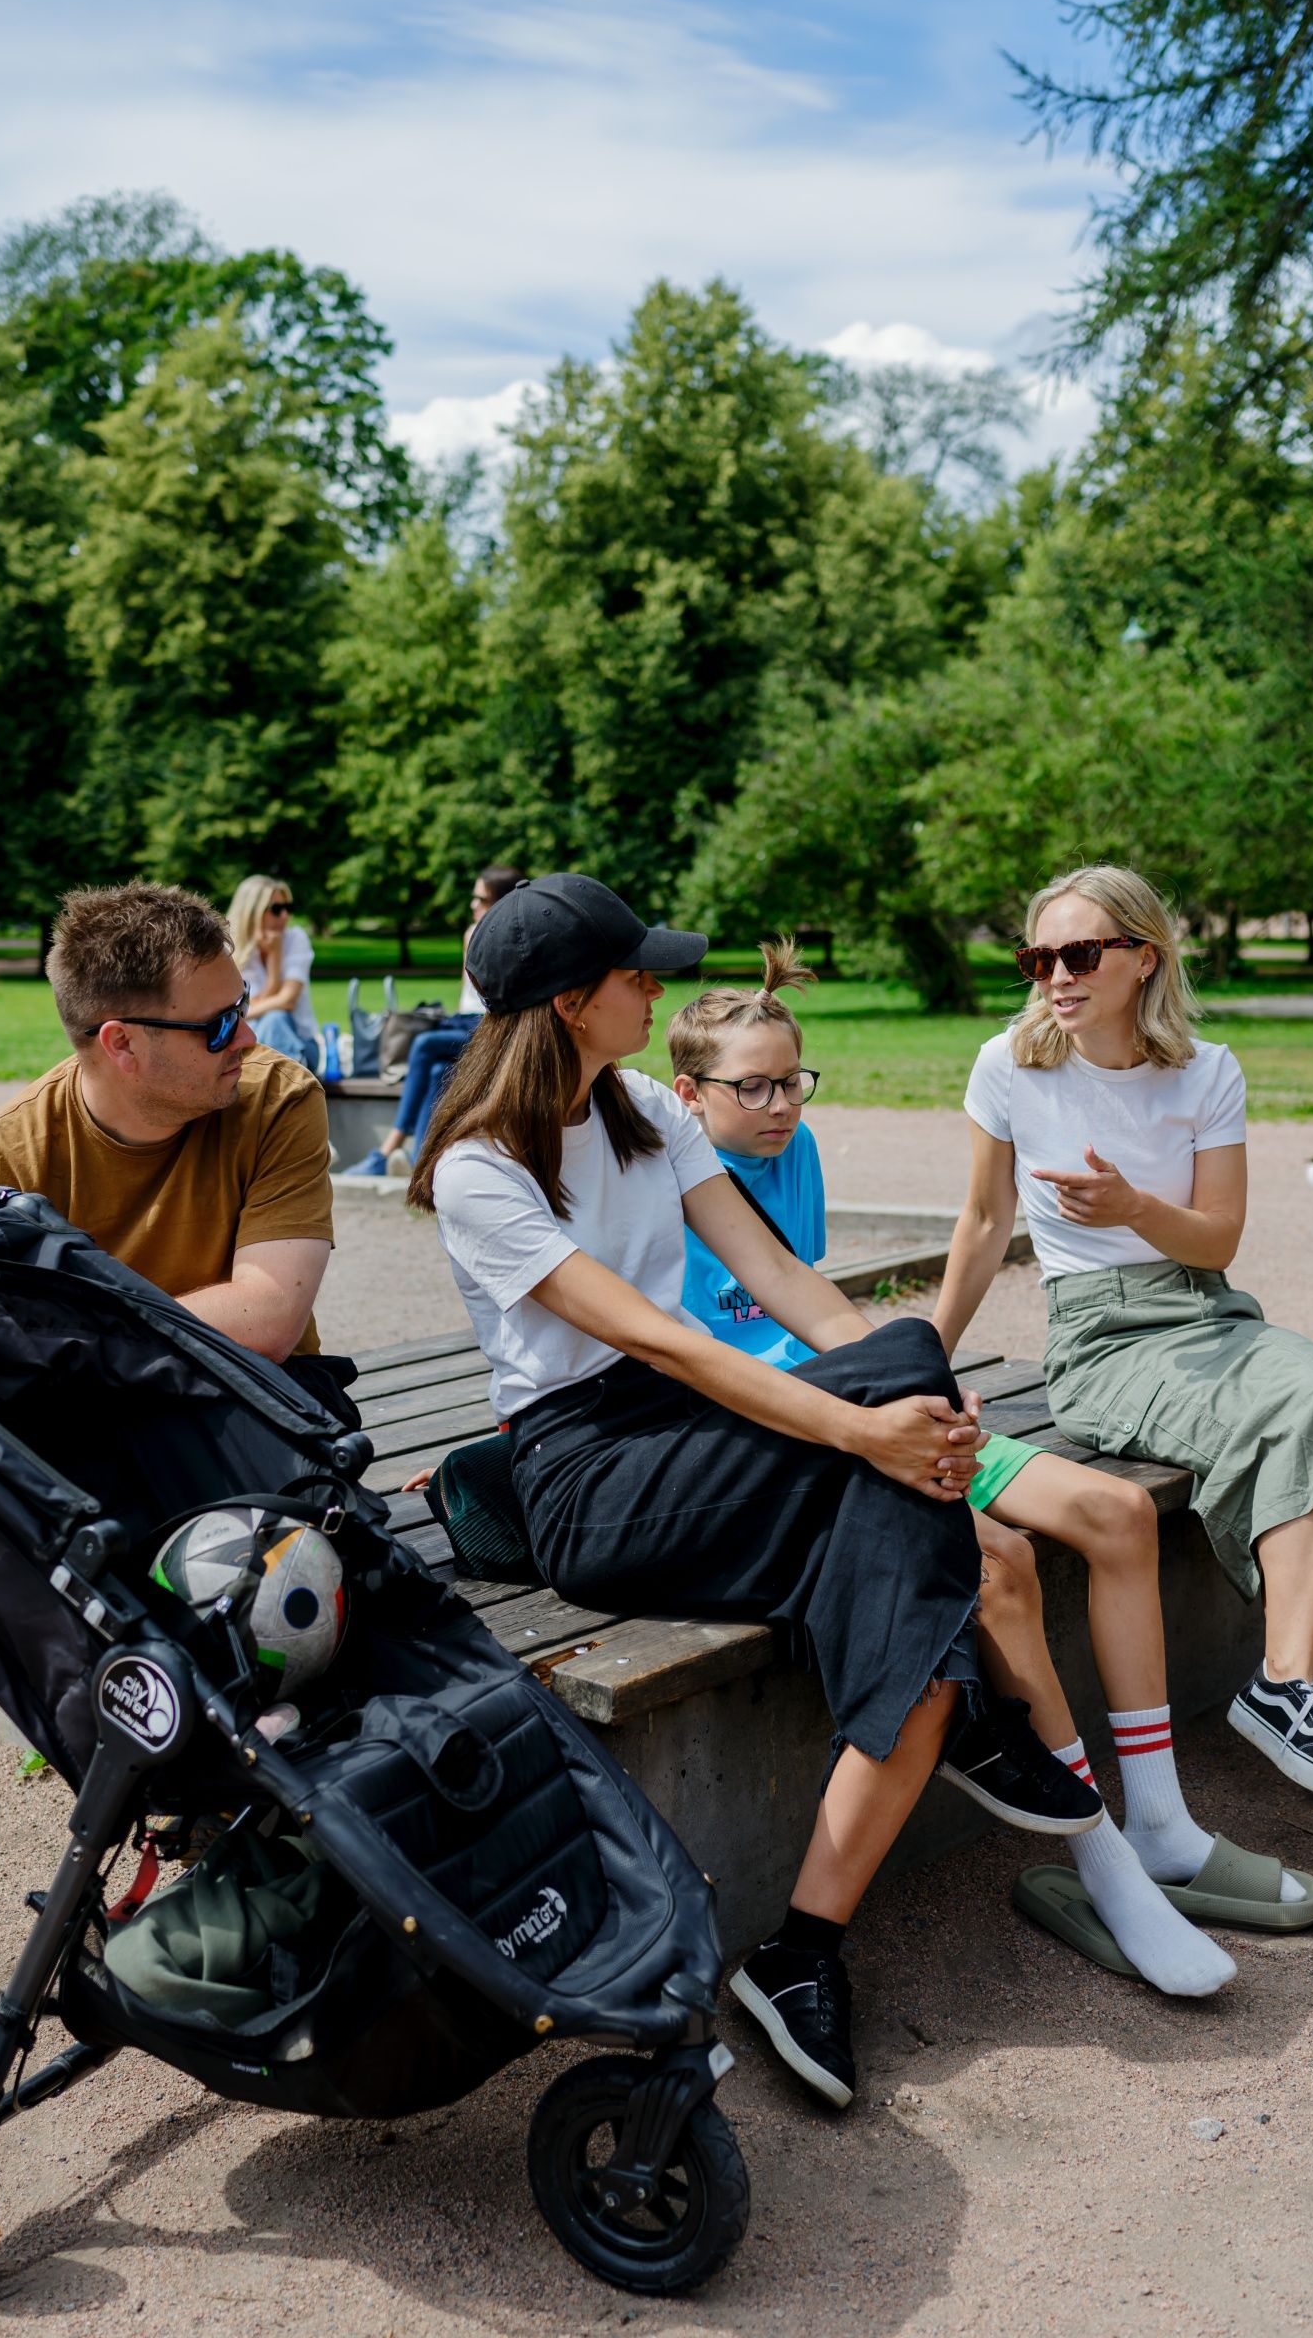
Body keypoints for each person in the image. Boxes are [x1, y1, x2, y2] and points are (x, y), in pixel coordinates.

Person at [410, 873, 1101, 2113]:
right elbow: (668, 1343)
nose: (656, 986)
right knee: (893, 1485)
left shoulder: (632, 1107)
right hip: (590, 1469)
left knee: (898, 1378)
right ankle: (941, 1765)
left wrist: (915, 1402)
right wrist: (861, 1430)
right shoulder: (478, 1167)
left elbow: (772, 1269)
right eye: (637, 976)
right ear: (570, 1002)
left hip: (698, 1430)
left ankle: (801, 1951)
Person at [0, 881, 339, 2070]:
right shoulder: (1, 1161)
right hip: (90, 1440)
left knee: (274, 1571)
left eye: (240, 1008)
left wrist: (65, 1347)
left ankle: (273, 1865)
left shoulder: (270, 1096)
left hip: (247, 1425)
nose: (244, 1036)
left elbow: (265, 1316)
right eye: (215, 1021)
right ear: (119, 1041)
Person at [670, 942, 1260, 1994]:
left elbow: (817, 1313)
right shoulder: (671, 1173)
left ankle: (1159, 1818)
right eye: (747, 1086)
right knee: (1000, 1564)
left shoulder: (790, 1153)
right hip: (792, 1441)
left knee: (1117, 1512)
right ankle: (1102, 1856)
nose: (774, 1106)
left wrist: (916, 1379)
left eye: (788, 1081)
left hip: (865, 1412)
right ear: (686, 1092)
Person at [931, 860, 1313, 1829]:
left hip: (1204, 1306)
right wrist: (920, 1358)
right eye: (1038, 957)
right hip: (1100, 1339)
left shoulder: (1205, 1068)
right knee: (1297, 1408)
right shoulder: (1007, 1066)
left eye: (1078, 953)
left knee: (1310, 1392)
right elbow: (982, 1224)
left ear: (1142, 957)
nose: (1054, 975)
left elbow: (1216, 1237)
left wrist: (1132, 1206)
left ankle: (1298, 1701)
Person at [345, 864, 524, 1176]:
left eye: (480, 900)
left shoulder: (512, 942)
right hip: (465, 1023)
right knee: (438, 1071)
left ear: (500, 903)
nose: (472, 905)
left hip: (489, 1029)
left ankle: (389, 1148)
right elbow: (466, 992)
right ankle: (421, 1164)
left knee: (425, 1043)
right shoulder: (472, 934)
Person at [227, 874, 321, 1072]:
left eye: (288, 908)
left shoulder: (296, 939)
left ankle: (292, 1083)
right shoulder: (231, 950)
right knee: (270, 1021)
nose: (285, 916)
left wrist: (275, 956)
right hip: (251, 1045)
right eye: (277, 910)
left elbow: (286, 1001)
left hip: (300, 1044)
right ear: (252, 912)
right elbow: (234, 1013)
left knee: (276, 1018)